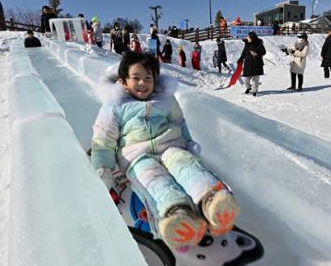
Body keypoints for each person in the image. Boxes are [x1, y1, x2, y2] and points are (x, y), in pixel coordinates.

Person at [91, 52, 239, 247]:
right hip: (137, 156)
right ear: (124, 82)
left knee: (186, 166)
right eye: (136, 78)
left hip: (170, 146)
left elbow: (179, 122)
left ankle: (212, 199)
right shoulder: (115, 106)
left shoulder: (166, 100)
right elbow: (104, 139)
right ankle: (175, 214)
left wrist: (188, 142)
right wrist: (104, 168)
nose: (142, 83)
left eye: (148, 78)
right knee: (153, 180)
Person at [238, 31, 266, 96]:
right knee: (246, 78)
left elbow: (263, 52)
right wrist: (241, 59)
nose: (247, 37)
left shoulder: (259, 43)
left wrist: (257, 53)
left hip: (256, 63)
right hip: (248, 63)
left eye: (248, 37)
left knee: (255, 78)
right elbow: (244, 52)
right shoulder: (247, 43)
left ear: (252, 38)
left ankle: (254, 90)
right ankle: (248, 87)